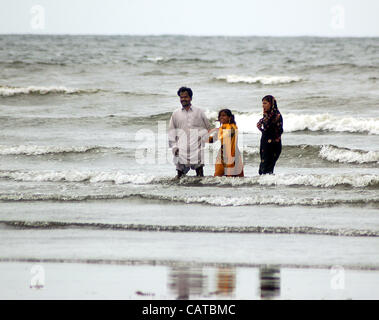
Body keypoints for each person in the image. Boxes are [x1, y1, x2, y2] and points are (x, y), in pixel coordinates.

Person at [168, 87, 211, 178]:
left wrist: (203, 139)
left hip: (197, 149)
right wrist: (174, 147)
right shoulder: (175, 114)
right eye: (181, 97)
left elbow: (208, 128)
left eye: (186, 97)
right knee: (179, 177)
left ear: (191, 98)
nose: (183, 99)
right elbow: (172, 132)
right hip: (181, 149)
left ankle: (202, 192)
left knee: (200, 176)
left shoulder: (199, 112)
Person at [209, 109, 244, 177]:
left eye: (224, 115)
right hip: (222, 154)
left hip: (232, 154)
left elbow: (224, 134)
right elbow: (212, 140)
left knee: (232, 177)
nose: (221, 117)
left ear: (229, 117)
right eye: (220, 116)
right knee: (217, 176)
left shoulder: (233, 127)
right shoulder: (221, 128)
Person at [256, 95, 283, 175]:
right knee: (263, 169)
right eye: (262, 103)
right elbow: (265, 130)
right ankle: (266, 186)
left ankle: (267, 184)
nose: (263, 106)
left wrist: (262, 124)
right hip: (265, 143)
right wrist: (260, 125)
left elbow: (278, 131)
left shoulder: (276, 115)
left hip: (273, 144)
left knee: (267, 169)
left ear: (271, 104)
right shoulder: (266, 115)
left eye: (265, 103)